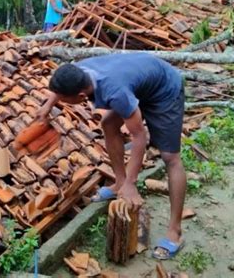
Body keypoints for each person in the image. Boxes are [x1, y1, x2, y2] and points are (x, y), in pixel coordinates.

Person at [36, 54, 186, 260]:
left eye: (64, 99)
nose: (61, 100)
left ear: (81, 96)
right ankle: (119, 183)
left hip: (164, 89)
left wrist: (133, 184)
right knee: (108, 124)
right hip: (137, 82)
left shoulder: (115, 92)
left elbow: (139, 136)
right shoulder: (78, 72)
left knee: (170, 158)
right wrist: (47, 105)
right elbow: (59, 87)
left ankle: (175, 231)